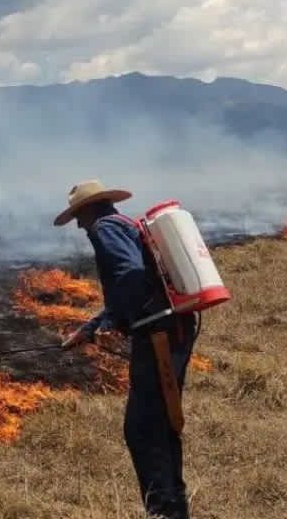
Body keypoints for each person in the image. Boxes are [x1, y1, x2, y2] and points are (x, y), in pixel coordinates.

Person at [54, 179, 197, 519]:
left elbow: (130, 276)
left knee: (143, 428)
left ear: (89, 210)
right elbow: (132, 284)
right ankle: (173, 507)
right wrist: (90, 329)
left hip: (159, 335)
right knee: (160, 422)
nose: (79, 225)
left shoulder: (105, 228)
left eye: (79, 216)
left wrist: (111, 323)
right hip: (170, 329)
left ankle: (164, 510)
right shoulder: (121, 224)